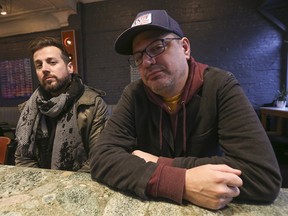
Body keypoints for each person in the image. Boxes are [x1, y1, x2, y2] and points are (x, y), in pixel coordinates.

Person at [90, 10, 282, 210]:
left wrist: (159, 162)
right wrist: (182, 182)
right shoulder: (134, 94)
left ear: (185, 48)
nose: (147, 62)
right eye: (138, 57)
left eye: (157, 47)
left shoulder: (220, 86)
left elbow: (262, 176)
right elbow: (101, 157)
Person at [15, 36, 108, 172]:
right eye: (39, 65)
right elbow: (23, 157)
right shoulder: (29, 109)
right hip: (40, 185)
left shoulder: (92, 104)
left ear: (70, 67)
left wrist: (61, 186)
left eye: (52, 62)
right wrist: (43, 185)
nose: (44, 69)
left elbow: (98, 159)